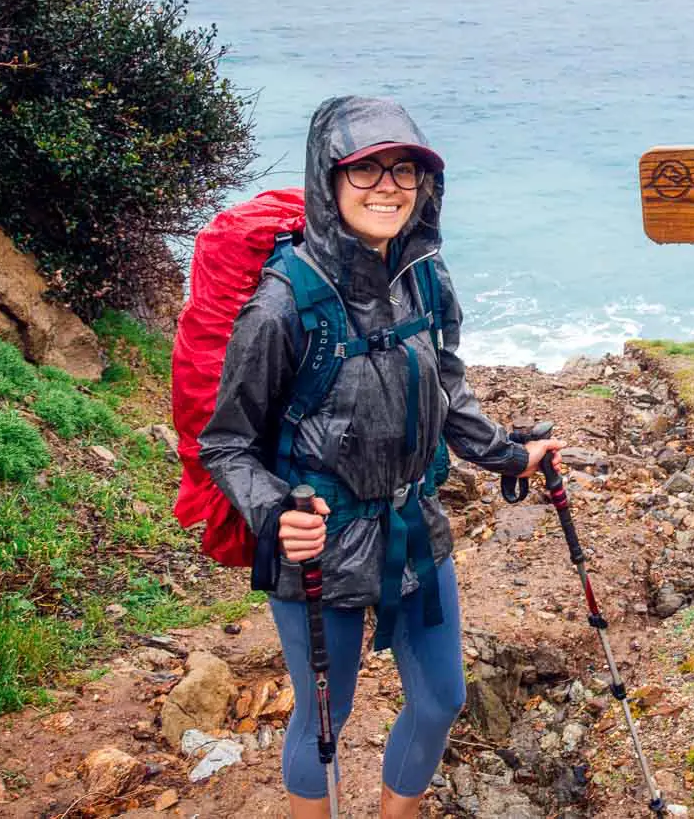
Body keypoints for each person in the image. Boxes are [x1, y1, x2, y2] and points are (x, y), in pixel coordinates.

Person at [198, 95, 563, 818]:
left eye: (404, 169)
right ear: (329, 180)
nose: (388, 185)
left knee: (440, 699)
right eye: (366, 169)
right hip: (318, 539)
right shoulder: (281, 304)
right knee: (324, 722)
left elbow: (447, 391)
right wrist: (275, 513)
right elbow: (227, 442)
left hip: (413, 521)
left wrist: (509, 457)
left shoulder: (425, 277)